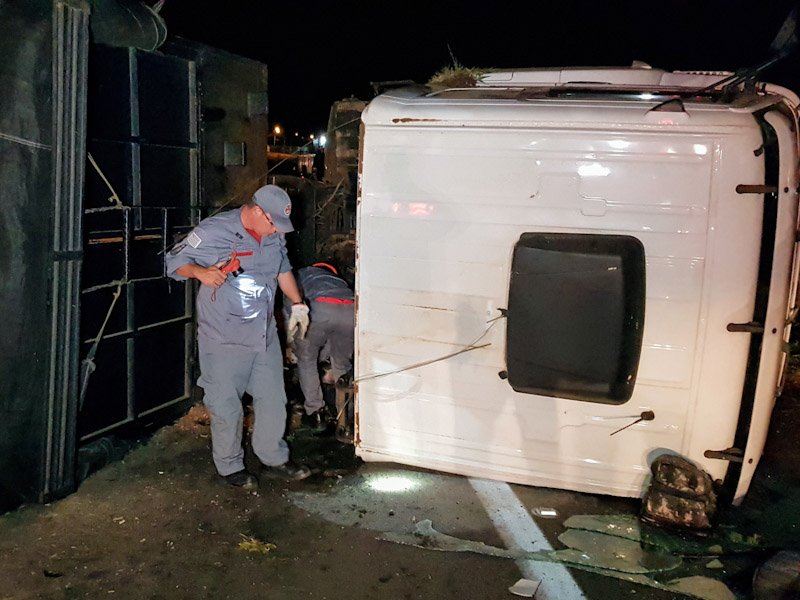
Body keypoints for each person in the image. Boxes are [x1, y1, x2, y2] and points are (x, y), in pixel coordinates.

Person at [166, 184, 312, 489]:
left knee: (274, 400)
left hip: (264, 335)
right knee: (226, 406)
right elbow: (172, 263)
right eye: (273, 223)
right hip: (223, 337)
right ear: (257, 211)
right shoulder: (215, 231)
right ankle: (230, 466)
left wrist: (298, 304)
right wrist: (201, 273)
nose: (276, 231)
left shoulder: (274, 234)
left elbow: (282, 268)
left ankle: (273, 457)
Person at [285, 262, 355, 429]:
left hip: (319, 307)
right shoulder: (337, 279)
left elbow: (291, 313)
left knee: (307, 361)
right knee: (342, 364)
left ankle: (316, 413)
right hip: (350, 309)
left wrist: (293, 345)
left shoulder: (294, 277)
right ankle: (346, 417)